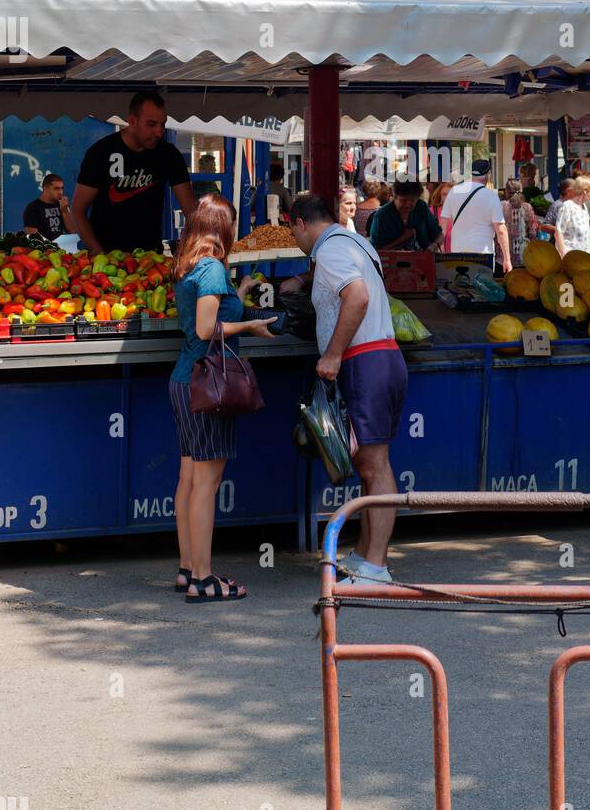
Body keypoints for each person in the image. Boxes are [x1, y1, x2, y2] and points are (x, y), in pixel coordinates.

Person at [291, 193, 408, 586]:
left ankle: (376, 567)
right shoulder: (354, 241)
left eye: (294, 233)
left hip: (364, 360)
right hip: (381, 359)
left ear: (300, 223)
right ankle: (364, 555)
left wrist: (334, 354)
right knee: (369, 464)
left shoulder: (329, 251)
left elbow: (356, 296)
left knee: (374, 466)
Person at [169, 194, 277, 602]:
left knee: (188, 479)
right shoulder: (213, 267)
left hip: (184, 380)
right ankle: (204, 578)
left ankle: (187, 569)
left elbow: (209, 313)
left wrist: (241, 290)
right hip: (207, 384)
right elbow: (205, 329)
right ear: (222, 227)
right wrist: (250, 325)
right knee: (207, 483)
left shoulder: (189, 265)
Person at [72, 91, 198, 253]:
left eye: (163, 124)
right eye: (151, 124)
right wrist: (99, 254)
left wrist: (203, 246)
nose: (159, 132)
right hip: (107, 262)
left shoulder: (169, 154)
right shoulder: (101, 152)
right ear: (132, 121)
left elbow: (191, 210)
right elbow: (77, 210)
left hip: (150, 257)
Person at [440, 159, 512, 273]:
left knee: (460, 287)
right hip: (483, 256)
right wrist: (507, 259)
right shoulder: (491, 196)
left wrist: (442, 249)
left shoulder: (454, 191)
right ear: (488, 175)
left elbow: (442, 225)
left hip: (457, 253)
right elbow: (501, 230)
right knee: (481, 289)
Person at [368, 179, 442, 252]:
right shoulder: (381, 216)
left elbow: (440, 235)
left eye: (412, 200)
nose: (407, 205)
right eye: (403, 200)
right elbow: (375, 252)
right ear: (394, 196)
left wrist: (433, 246)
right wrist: (402, 238)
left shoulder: (421, 207)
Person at [23, 173, 77, 241]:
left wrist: (65, 211)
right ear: (46, 189)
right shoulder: (32, 208)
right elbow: (33, 238)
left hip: (61, 247)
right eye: (56, 188)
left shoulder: (62, 205)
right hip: (44, 249)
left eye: (62, 188)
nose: (60, 192)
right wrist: (51, 247)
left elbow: (72, 231)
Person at [501, 179, 539, 268]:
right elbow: (533, 231)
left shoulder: (501, 206)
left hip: (504, 257)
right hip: (523, 255)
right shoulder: (527, 207)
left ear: (506, 192)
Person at [554, 176, 590, 257]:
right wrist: (564, 256)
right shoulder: (567, 206)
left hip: (584, 258)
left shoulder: (584, 207)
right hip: (571, 259)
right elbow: (558, 233)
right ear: (585, 191)